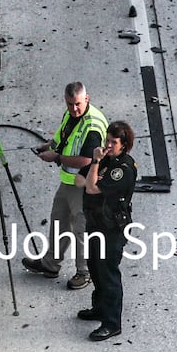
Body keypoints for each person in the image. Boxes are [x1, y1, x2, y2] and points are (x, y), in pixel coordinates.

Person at [22, 82, 108, 289]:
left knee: (81, 229)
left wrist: (57, 157)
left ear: (86, 99)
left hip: (85, 184)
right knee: (59, 221)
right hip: (69, 181)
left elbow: (86, 160)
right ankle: (50, 264)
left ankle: (84, 272)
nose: (73, 109)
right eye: (70, 104)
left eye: (77, 104)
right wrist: (49, 146)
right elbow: (62, 136)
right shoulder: (70, 115)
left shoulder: (93, 125)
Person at [77, 120, 138, 341]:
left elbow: (91, 187)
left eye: (114, 142)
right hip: (95, 224)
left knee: (108, 274)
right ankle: (100, 308)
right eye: (108, 141)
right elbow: (78, 180)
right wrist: (94, 172)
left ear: (124, 145)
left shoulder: (123, 170)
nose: (109, 146)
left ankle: (112, 323)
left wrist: (95, 164)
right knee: (94, 267)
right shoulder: (106, 161)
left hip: (112, 229)